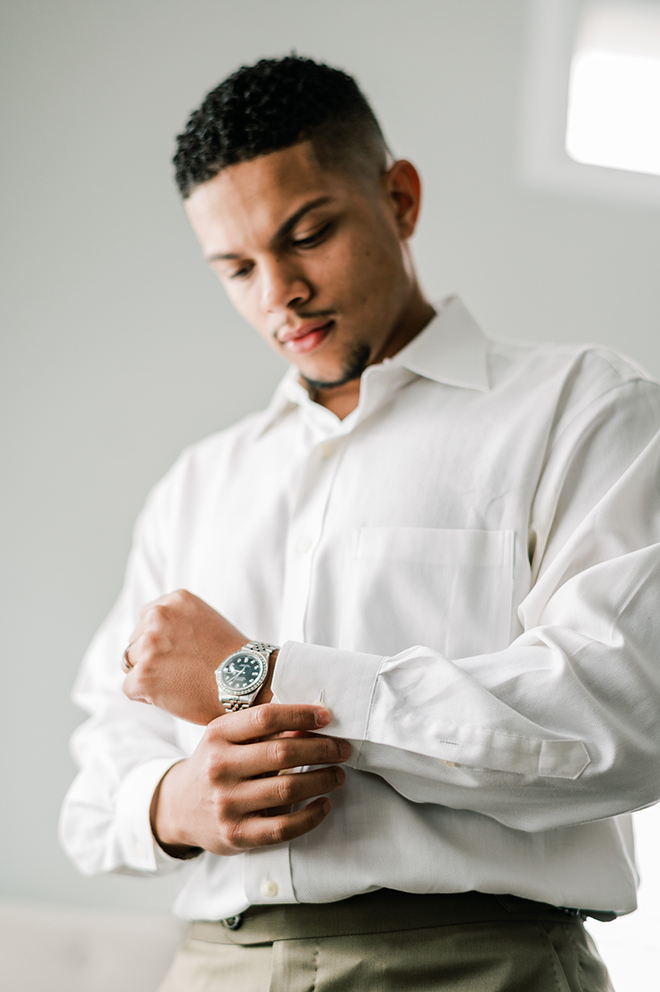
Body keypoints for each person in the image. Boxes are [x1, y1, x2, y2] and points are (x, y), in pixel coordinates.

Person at [60, 55, 660, 991]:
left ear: (401, 199)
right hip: (212, 966)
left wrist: (251, 679)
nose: (278, 293)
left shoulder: (587, 412)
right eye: (237, 268)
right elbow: (99, 771)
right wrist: (173, 803)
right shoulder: (196, 484)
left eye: (307, 235)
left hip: (480, 965)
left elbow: (624, 714)